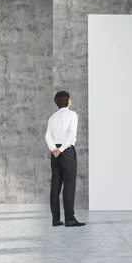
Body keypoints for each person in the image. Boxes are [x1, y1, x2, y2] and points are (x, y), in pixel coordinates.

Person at [45, 91, 86, 228]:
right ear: (68, 101)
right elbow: (71, 136)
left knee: (55, 186)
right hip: (66, 151)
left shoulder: (52, 117)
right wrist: (61, 150)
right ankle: (69, 219)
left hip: (54, 153)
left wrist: (54, 149)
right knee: (69, 185)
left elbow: (48, 136)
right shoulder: (72, 115)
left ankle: (55, 219)